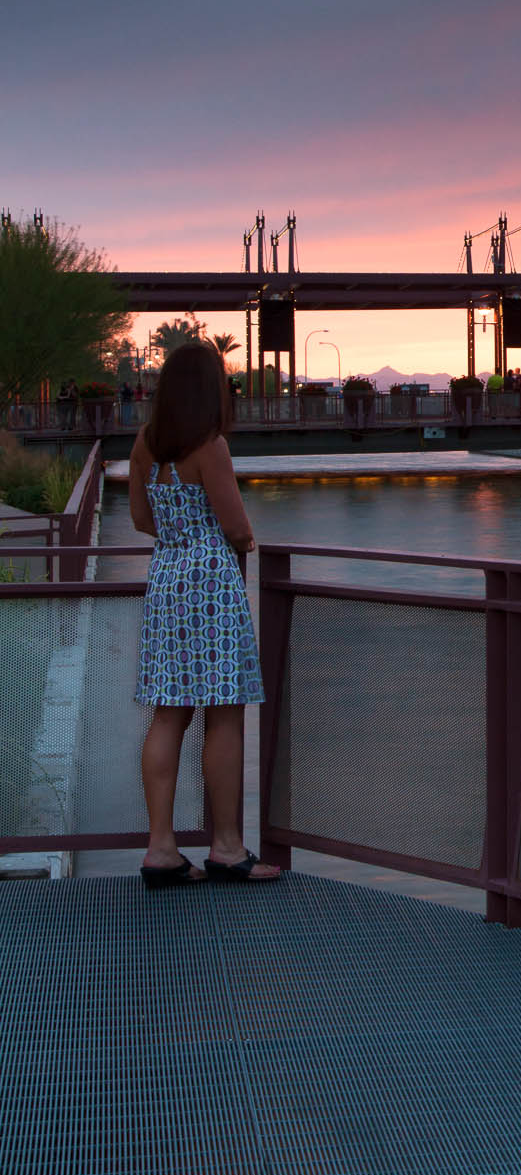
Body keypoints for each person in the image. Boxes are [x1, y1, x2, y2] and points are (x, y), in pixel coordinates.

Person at [128, 342, 279, 888]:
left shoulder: (146, 443)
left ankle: (161, 850)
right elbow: (236, 526)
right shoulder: (209, 446)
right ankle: (227, 847)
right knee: (225, 712)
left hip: (167, 579)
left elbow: (141, 519)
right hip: (212, 581)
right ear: (210, 390)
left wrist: (177, 536)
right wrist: (243, 541)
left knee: (168, 714)